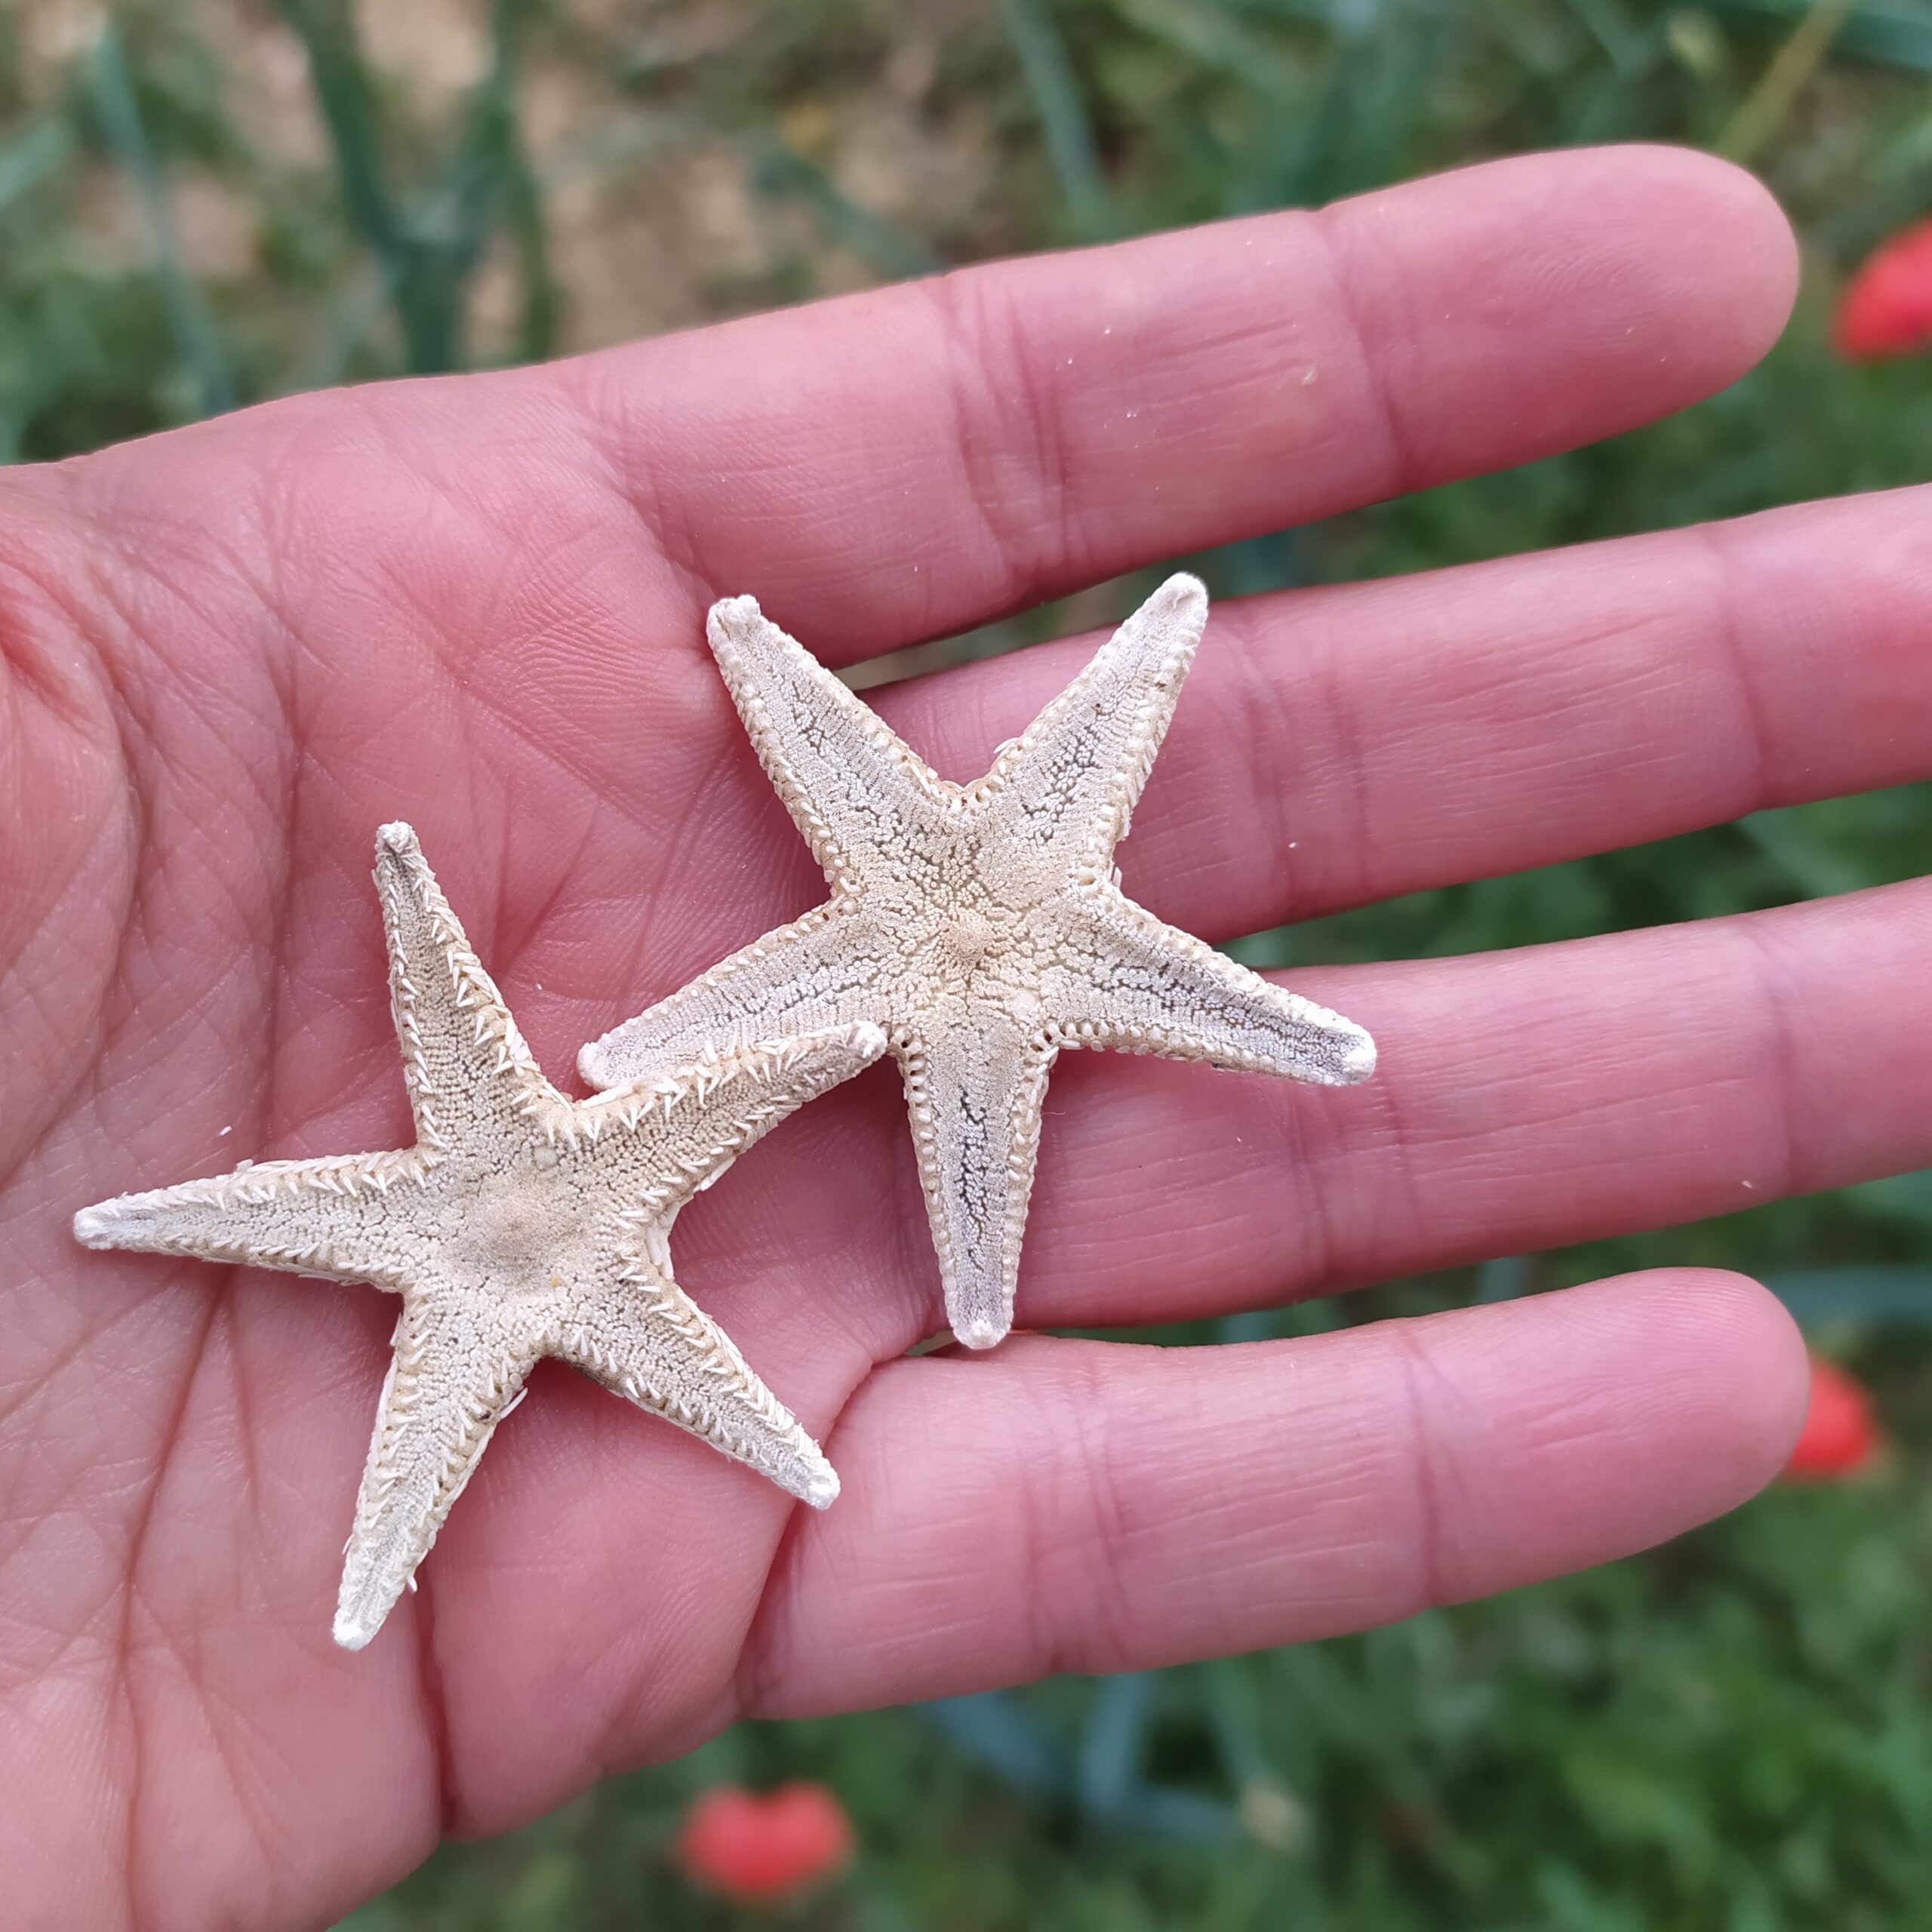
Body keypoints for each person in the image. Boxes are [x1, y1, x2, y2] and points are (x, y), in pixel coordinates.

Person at [2, 143, 1921, 1929]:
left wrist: (688, 1034)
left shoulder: (869, 964)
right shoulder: (651, 1088)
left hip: (743, 1086)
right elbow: (704, 1039)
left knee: (1173, 1050)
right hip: (595, 1166)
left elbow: (731, 1044)